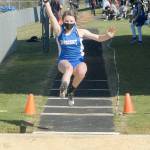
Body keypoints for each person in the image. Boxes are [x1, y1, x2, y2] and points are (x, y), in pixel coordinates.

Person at [43, 0, 116, 106]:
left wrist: (108, 36)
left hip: (78, 61)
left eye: (71, 21)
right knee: (68, 68)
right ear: (63, 21)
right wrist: (46, 3)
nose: (69, 23)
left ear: (75, 22)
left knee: (82, 70)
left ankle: (71, 92)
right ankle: (63, 89)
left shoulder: (80, 32)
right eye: (66, 21)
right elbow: (51, 16)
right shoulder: (59, 31)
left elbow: (98, 38)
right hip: (64, 61)